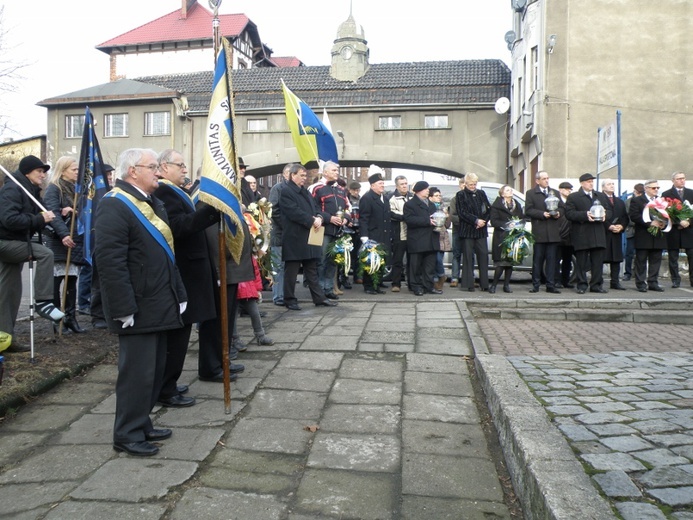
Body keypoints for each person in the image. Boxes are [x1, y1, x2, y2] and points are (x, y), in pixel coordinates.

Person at [94, 148, 187, 457]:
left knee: (154, 370)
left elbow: (165, 256)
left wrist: (180, 294)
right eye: (152, 167)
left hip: (159, 301)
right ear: (132, 171)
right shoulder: (115, 205)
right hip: (137, 305)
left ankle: (142, 422)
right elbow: (110, 262)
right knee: (137, 373)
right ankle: (127, 434)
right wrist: (122, 308)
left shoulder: (150, 202)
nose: (157, 173)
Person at [154, 149, 219, 407]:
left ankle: (169, 383)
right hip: (185, 269)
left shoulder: (177, 191)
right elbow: (179, 227)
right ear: (163, 167)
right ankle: (165, 389)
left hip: (194, 268)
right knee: (178, 335)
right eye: (179, 165)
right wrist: (210, 209)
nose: (184, 169)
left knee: (183, 333)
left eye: (184, 164)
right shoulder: (164, 192)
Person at [0, 155, 65, 353]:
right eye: (40, 171)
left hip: (17, 242)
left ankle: (5, 339)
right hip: (5, 243)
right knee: (45, 254)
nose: (43, 175)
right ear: (27, 171)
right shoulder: (13, 189)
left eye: (45, 172)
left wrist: (59, 229)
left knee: (8, 294)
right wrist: (38, 218)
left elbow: (39, 220)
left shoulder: (31, 191)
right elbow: (9, 220)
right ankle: (43, 302)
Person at [280, 163, 337, 310]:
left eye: (305, 175)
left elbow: (315, 208)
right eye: (301, 175)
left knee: (311, 269)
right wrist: (312, 220)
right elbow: (293, 212)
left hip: (308, 236)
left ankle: (319, 298)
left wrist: (319, 216)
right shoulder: (286, 191)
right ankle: (289, 299)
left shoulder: (304, 191)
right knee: (291, 271)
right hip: (294, 237)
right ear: (293, 175)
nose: (304, 178)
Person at [43, 156, 86, 333]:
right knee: (56, 281)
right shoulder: (55, 189)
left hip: (75, 240)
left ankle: (70, 317)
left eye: (77, 169)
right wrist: (63, 234)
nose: (77, 172)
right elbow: (52, 213)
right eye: (74, 169)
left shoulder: (77, 189)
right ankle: (55, 319)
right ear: (63, 170)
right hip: (59, 240)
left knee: (71, 281)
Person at [565, 173, 612, 294]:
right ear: (581, 183)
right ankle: (581, 285)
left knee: (597, 262)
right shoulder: (574, 197)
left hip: (598, 233)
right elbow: (569, 214)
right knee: (581, 262)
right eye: (588, 181)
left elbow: (610, 211)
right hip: (582, 234)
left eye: (592, 181)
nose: (591, 183)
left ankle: (596, 285)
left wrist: (605, 215)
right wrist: (585, 215)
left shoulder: (600, 196)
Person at [78, 163, 115, 315]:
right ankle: (83, 302)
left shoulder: (110, 191)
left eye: (110, 174)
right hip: (92, 235)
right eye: (106, 174)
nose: (109, 177)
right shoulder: (92, 191)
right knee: (88, 271)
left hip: (104, 236)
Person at [310, 161, 349, 300]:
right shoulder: (317, 188)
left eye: (337, 170)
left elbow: (347, 208)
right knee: (321, 260)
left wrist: (346, 219)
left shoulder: (341, 190)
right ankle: (319, 289)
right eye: (333, 170)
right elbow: (313, 208)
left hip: (338, 231)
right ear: (325, 172)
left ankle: (328, 288)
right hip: (323, 230)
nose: (336, 172)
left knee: (333, 260)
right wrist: (329, 218)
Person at [524, 171, 562, 294]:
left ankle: (550, 285)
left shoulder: (555, 192)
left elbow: (562, 207)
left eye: (547, 178)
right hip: (539, 231)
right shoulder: (531, 193)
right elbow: (528, 210)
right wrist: (542, 214)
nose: (546, 180)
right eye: (544, 178)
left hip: (552, 231)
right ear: (537, 181)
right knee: (538, 260)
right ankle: (535, 284)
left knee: (552, 260)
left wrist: (558, 213)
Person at [358, 166, 392, 294]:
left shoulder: (385, 198)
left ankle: (377, 283)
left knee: (381, 261)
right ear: (372, 185)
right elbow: (364, 218)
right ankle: (369, 286)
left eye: (383, 183)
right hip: (373, 235)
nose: (382, 185)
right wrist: (364, 236)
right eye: (380, 184)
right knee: (371, 261)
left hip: (383, 235)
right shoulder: (367, 198)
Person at [629, 179, 667, 292]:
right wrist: (649, 223)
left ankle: (653, 282)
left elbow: (667, 215)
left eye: (657, 188)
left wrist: (664, 223)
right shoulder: (637, 200)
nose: (656, 190)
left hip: (658, 235)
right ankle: (640, 283)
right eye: (653, 188)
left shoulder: (661, 201)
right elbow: (634, 216)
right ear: (646, 188)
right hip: (643, 235)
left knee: (656, 260)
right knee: (641, 260)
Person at [455, 173, 491, 292]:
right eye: (470, 184)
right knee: (468, 257)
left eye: (475, 184)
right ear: (465, 184)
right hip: (467, 231)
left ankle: (484, 284)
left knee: (483, 255)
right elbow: (462, 212)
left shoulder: (481, 193)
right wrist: (475, 220)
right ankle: (468, 284)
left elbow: (488, 209)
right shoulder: (460, 195)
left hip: (481, 230)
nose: (473, 186)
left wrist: (483, 221)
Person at [404, 181, 440, 295]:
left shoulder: (431, 204)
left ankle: (428, 286)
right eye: (426, 189)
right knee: (416, 266)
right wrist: (427, 221)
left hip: (431, 239)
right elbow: (409, 220)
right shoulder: (410, 204)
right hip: (418, 240)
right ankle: (416, 286)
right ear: (419, 191)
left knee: (429, 265)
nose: (428, 191)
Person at [489, 185, 524, 293]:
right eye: (508, 190)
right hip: (501, 237)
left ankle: (506, 285)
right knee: (501, 262)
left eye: (511, 190)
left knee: (510, 263)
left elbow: (522, 219)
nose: (511, 191)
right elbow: (494, 221)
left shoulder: (516, 204)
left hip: (513, 236)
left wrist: (519, 224)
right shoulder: (497, 205)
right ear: (502, 194)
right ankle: (494, 285)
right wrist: (507, 224)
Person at [662, 171, 693, 288]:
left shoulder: (691, 193)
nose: (682, 180)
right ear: (673, 181)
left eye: (683, 178)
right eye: (679, 179)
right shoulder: (666, 194)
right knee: (673, 256)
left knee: (691, 255)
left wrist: (688, 222)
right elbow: (664, 212)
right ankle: (675, 280)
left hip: (689, 230)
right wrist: (678, 222)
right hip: (673, 231)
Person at [268, 164, 292, 306]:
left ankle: (287, 294)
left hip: (292, 235)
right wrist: (287, 226)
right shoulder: (277, 188)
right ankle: (278, 296)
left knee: (288, 266)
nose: (290, 175)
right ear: (284, 174)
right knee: (278, 266)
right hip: (279, 234)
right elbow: (274, 209)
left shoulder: (297, 190)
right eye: (288, 173)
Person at [601, 179, 629, 290]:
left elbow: (625, 217)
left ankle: (615, 281)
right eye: (609, 184)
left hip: (616, 234)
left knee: (616, 259)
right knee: (601, 258)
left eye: (613, 184)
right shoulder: (599, 199)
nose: (612, 186)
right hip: (604, 233)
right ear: (603, 187)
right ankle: (598, 281)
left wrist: (621, 226)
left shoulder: (619, 201)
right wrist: (608, 226)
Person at [389, 175, 412, 292]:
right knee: (397, 260)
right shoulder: (392, 198)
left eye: (405, 183)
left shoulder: (412, 197)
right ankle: (396, 284)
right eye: (402, 184)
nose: (404, 186)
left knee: (411, 260)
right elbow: (392, 214)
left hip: (412, 234)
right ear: (397, 186)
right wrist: (405, 216)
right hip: (399, 233)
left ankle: (411, 283)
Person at [428, 186, 450, 290]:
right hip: (433, 235)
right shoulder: (429, 207)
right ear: (430, 197)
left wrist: (447, 216)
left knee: (439, 258)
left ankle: (438, 281)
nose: (439, 198)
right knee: (435, 259)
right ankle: (440, 277)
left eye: (440, 196)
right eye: (436, 196)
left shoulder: (443, 207)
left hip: (442, 236)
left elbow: (448, 225)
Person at [554, 181, 574, 288]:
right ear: (561, 190)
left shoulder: (571, 201)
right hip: (559, 233)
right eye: (567, 189)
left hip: (570, 235)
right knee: (556, 259)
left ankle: (566, 280)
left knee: (568, 259)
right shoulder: (556, 201)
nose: (569, 191)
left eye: (570, 189)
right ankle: (556, 280)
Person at [622, 183, 644, 281]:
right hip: (632, 230)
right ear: (634, 191)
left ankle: (639, 272)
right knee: (629, 253)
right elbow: (628, 216)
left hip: (643, 230)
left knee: (642, 254)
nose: (639, 194)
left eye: (641, 193)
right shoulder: (628, 202)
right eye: (637, 192)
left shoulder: (646, 201)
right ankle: (627, 273)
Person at [447, 177, 466, 287]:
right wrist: (466, 221)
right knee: (456, 254)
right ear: (460, 185)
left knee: (469, 255)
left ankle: (469, 276)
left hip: (470, 232)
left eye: (466, 184)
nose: (464, 186)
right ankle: (455, 277)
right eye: (462, 184)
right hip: (458, 230)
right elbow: (452, 216)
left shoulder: (472, 198)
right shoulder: (455, 199)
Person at [346, 181, 362, 284]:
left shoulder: (361, 200)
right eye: (354, 190)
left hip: (358, 229)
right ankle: (345, 278)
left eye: (358, 190)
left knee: (357, 254)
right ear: (350, 190)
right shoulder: (347, 200)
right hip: (348, 230)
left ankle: (357, 276)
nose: (356, 192)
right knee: (347, 255)